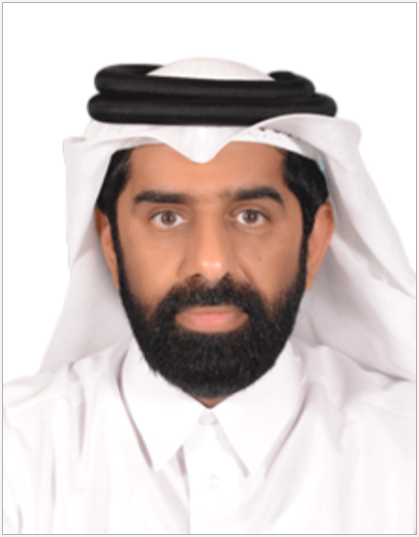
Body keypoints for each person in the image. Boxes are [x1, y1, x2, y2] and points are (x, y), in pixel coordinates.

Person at [3, 58, 415, 534]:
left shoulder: (403, 454)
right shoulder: (18, 455)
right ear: (112, 246)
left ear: (315, 243)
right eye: (167, 217)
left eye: (250, 216)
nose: (211, 263)